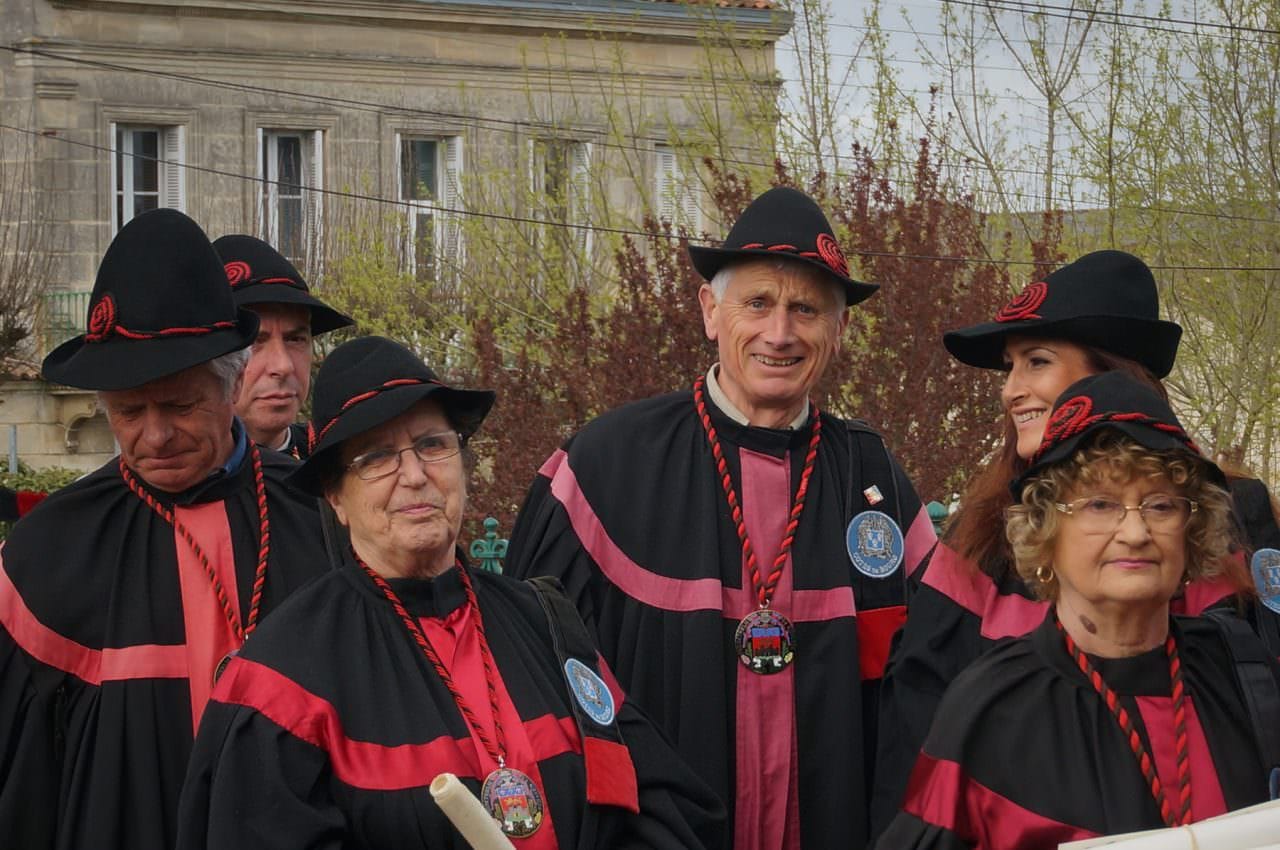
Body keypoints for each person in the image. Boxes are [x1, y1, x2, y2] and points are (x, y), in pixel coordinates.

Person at [506, 186, 937, 849]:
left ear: (840, 329)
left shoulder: (874, 478)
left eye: (806, 309)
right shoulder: (605, 465)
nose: (780, 333)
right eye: (757, 303)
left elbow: (932, 688)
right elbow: (530, 681)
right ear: (710, 311)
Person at [177, 335, 726, 850]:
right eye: (376, 457)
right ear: (336, 499)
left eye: (431, 444)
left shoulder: (545, 623)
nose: (414, 474)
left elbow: (655, 802)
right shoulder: (282, 679)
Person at [871, 250, 1271, 834]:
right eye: (1009, 368)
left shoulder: (1230, 515)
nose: (1012, 391)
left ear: (1114, 375)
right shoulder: (978, 541)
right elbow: (916, 735)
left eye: (1036, 362)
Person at [0, 209, 332, 850]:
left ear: (231, 383)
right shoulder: (47, 555)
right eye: (128, 411)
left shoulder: (319, 516)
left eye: (180, 405)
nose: (154, 436)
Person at [213, 234, 354, 458]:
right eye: (255, 341)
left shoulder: (339, 462)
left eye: (295, 339)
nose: (283, 365)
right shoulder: (167, 481)